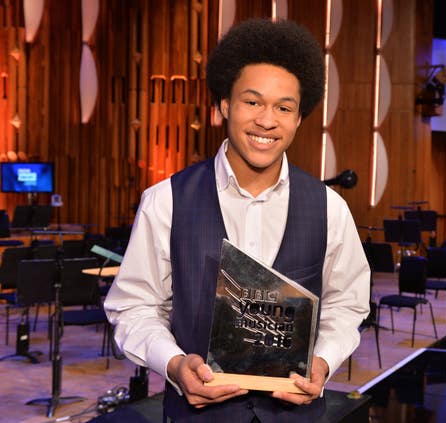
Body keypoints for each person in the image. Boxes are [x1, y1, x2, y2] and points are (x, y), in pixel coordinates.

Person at [104, 18, 370, 423]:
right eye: (253, 102)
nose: (267, 120)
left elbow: (347, 303)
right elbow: (134, 307)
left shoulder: (330, 207)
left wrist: (323, 360)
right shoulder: (166, 201)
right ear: (225, 104)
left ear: (299, 118)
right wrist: (175, 364)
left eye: (284, 107)